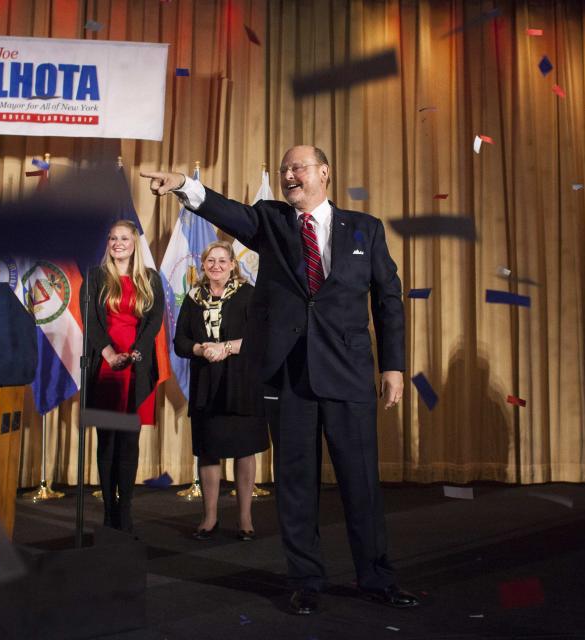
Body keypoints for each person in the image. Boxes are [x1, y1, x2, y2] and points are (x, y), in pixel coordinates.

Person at [141, 146, 418, 613]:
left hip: (348, 375)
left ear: (324, 173)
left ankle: (376, 578)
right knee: (295, 485)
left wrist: (392, 366)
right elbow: (230, 211)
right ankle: (307, 580)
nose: (290, 175)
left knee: (361, 483)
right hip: (288, 376)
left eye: (299, 167)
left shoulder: (365, 229)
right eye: (285, 168)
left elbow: (389, 299)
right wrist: (185, 187)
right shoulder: (271, 220)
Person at [173, 240, 269, 542]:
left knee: (244, 450)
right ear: (203, 265)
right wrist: (201, 349)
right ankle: (209, 518)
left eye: (222, 260)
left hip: (241, 382)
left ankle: (245, 520)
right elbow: (180, 342)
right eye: (210, 261)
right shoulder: (192, 298)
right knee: (209, 451)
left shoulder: (248, 295)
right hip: (206, 385)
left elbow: (260, 338)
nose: (216, 265)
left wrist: (226, 348)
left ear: (232, 264)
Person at [80, 220, 164, 534]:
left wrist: (137, 352)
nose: (118, 243)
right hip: (106, 368)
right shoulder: (95, 277)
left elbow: (155, 320)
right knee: (107, 441)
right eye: (113, 238)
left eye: (124, 238)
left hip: (138, 369)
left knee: (129, 442)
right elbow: (90, 320)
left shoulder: (150, 278)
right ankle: (109, 511)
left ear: (134, 243)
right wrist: (109, 354)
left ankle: (125, 510)